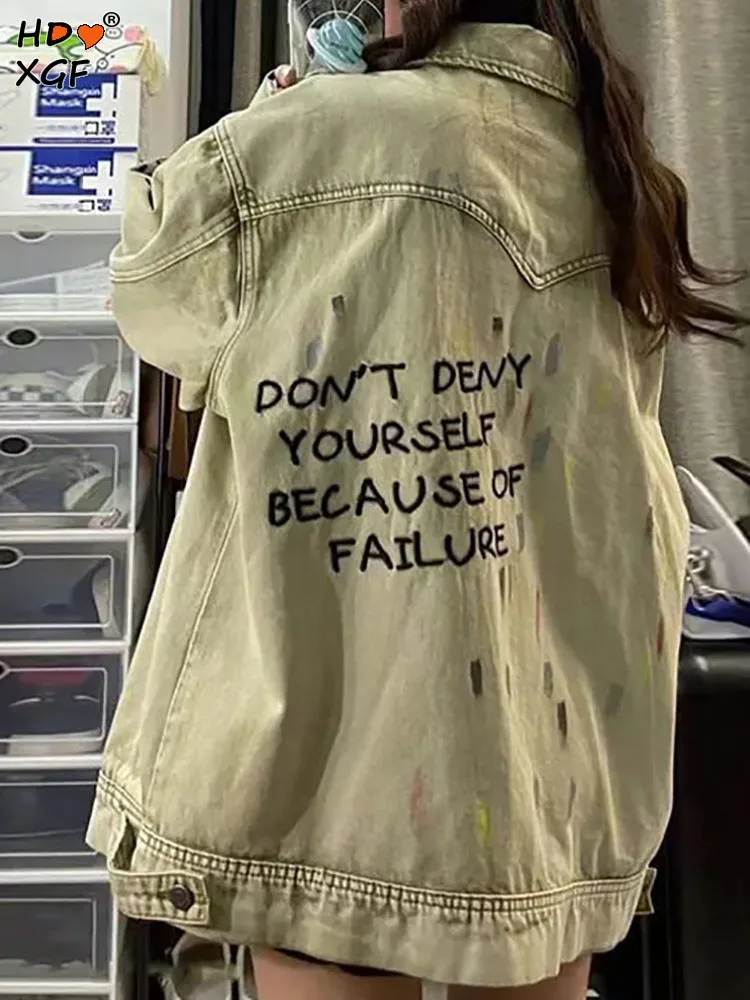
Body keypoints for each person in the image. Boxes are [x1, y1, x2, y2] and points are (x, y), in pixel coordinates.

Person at [86, 0, 749, 998]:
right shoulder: (619, 160)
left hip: (346, 747)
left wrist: (280, 110)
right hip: (556, 750)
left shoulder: (317, 134)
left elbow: (153, 289)